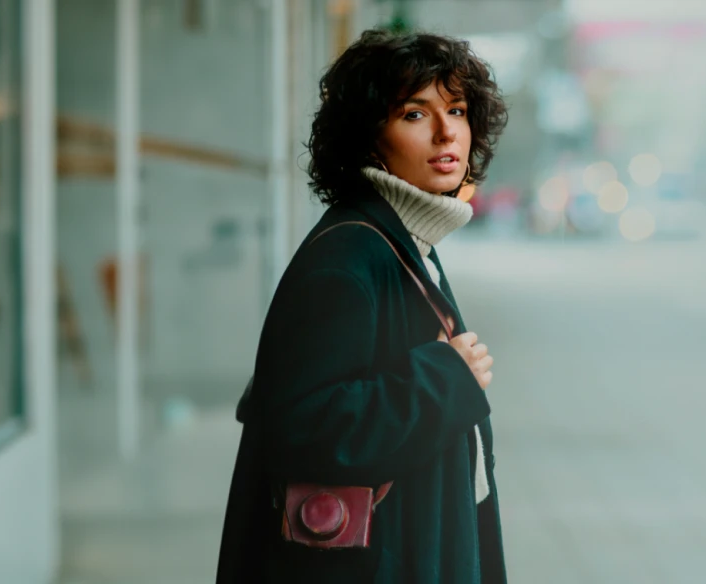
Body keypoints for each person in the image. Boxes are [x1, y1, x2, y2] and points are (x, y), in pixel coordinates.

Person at [217, 28, 509, 583]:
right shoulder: (348, 258)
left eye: (458, 109)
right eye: (416, 114)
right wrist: (446, 379)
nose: (448, 132)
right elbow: (302, 427)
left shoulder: (404, 243)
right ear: (369, 138)